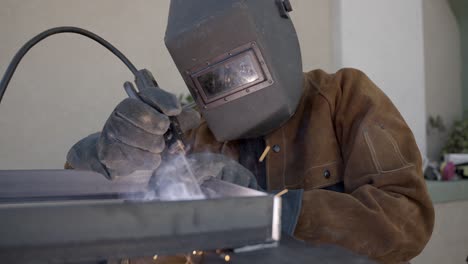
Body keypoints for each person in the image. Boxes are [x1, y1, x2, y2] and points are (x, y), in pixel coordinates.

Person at [66, 0, 434, 263]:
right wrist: (104, 161)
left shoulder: (344, 98)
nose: (231, 88)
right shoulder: (196, 136)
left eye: (243, 70)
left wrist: (272, 208)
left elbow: (407, 222)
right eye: (212, 82)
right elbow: (145, 238)